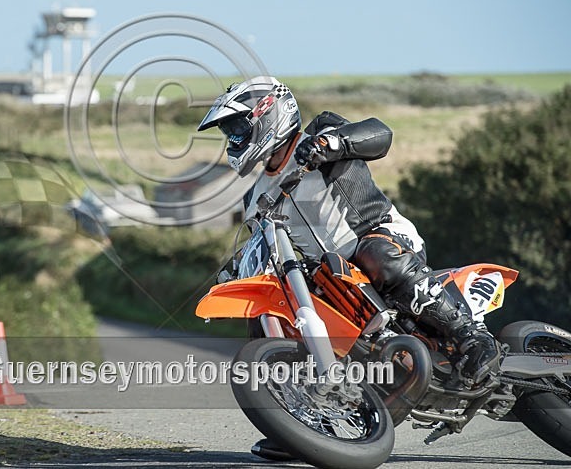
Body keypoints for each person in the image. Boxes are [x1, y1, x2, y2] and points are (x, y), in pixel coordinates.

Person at [197, 76, 501, 384]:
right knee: (278, 302)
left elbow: (381, 134)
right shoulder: (255, 197)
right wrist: (233, 271)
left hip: (383, 237)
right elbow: (262, 244)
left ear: (267, 112)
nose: (233, 139)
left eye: (237, 128)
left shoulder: (320, 132)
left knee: (375, 252)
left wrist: (333, 144)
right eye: (229, 132)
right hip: (335, 276)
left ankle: (472, 337)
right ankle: (300, 412)